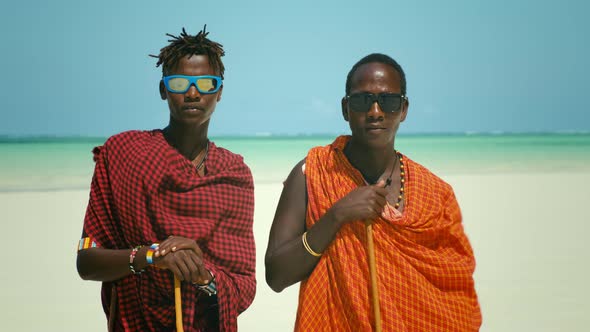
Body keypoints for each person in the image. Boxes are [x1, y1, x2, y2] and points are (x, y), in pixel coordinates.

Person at [265, 53, 481, 331]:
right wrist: (337, 215)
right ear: (345, 109)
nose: (375, 111)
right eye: (362, 100)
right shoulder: (312, 173)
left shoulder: (436, 194)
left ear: (403, 109)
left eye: (389, 101)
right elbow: (276, 275)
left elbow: (455, 289)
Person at [76, 26, 256, 332]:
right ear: (163, 89)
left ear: (220, 91)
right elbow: (87, 260)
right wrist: (150, 256)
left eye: (206, 83)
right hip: (133, 324)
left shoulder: (234, 175)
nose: (193, 92)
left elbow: (243, 284)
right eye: (179, 82)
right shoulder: (123, 154)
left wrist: (203, 277)